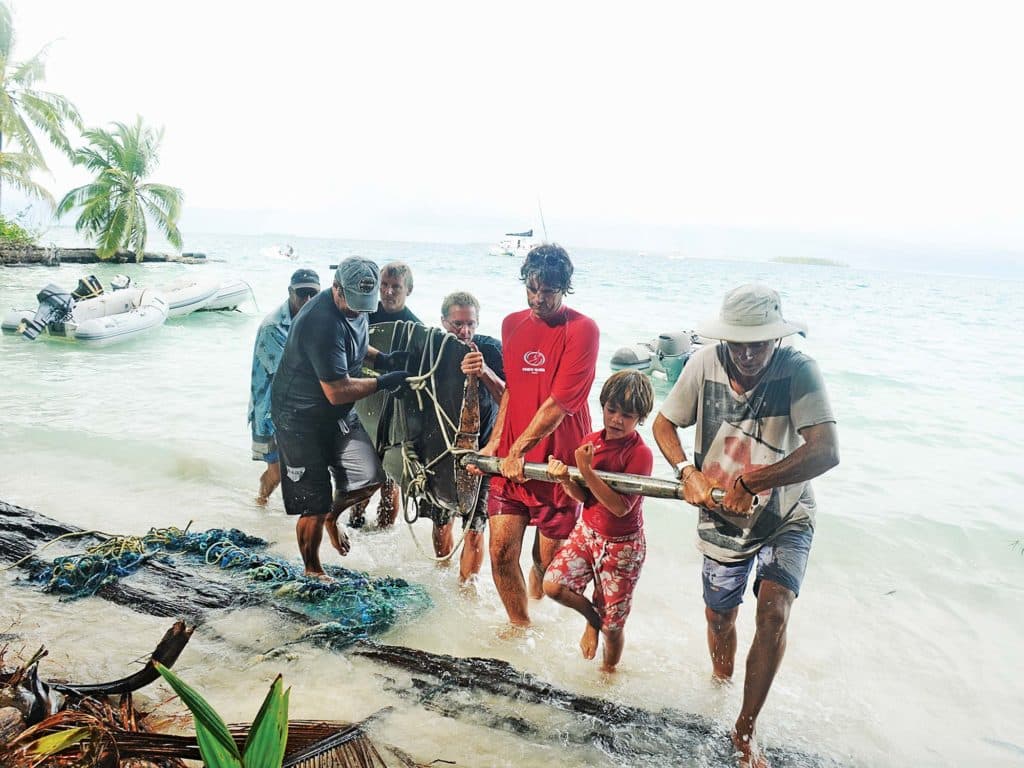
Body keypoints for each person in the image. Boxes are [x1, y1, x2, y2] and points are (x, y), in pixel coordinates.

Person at [651, 284, 840, 767]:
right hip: (721, 514)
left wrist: (755, 480)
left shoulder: (798, 370)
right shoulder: (703, 363)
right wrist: (686, 473)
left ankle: (745, 726)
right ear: (725, 337)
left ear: (778, 338)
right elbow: (664, 425)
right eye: (740, 342)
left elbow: (825, 450)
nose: (750, 353)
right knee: (721, 618)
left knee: (774, 613)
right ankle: (719, 684)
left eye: (761, 342)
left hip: (786, 514)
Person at [475, 244, 600, 631]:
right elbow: (514, 388)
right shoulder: (512, 323)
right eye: (533, 288)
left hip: (556, 465)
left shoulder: (582, 329)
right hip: (511, 465)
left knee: (547, 565)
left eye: (549, 291)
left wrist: (517, 449)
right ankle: (521, 628)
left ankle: (550, 605)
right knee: (499, 553)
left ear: (565, 289)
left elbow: (559, 404)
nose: (539, 298)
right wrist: (497, 442)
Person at [270, 257, 411, 579]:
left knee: (371, 477)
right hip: (299, 418)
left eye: (366, 305)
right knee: (314, 502)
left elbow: (354, 343)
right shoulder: (319, 322)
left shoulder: (357, 307)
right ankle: (312, 569)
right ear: (336, 289)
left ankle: (333, 518)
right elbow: (337, 389)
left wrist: (383, 359)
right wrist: (383, 382)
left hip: (337, 413)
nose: (358, 311)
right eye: (352, 303)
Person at [543, 370, 654, 673]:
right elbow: (584, 497)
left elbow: (620, 508)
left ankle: (608, 673)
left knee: (613, 628)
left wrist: (586, 471)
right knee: (552, 585)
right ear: (602, 405)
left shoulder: (640, 454)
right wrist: (565, 477)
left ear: (641, 418)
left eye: (627, 415)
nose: (616, 419)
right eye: (611, 410)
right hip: (587, 532)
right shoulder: (592, 441)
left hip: (623, 546)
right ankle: (592, 619)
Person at [421, 291, 505, 585]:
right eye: (457, 324)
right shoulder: (433, 350)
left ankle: (466, 591)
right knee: (441, 519)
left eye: (470, 323)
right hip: (442, 451)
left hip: (483, 450)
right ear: (444, 322)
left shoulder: (491, 350)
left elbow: (510, 397)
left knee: (475, 525)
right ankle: (442, 576)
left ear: (478, 323)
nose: (464, 331)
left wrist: (484, 371)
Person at [348, 260, 420, 528]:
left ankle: (383, 537)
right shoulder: (363, 317)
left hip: (395, 416)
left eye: (396, 287)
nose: (388, 292)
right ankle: (355, 528)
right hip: (361, 407)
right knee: (363, 479)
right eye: (384, 285)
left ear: (408, 290)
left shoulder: (416, 328)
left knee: (390, 485)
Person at [248, 268, 320, 505]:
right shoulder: (273, 327)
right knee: (278, 472)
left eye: (313, 294)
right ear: (290, 292)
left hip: (298, 410)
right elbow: (290, 375)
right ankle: (260, 502)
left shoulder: (315, 318)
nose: (308, 300)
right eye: (302, 294)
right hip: (270, 411)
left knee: (303, 470)